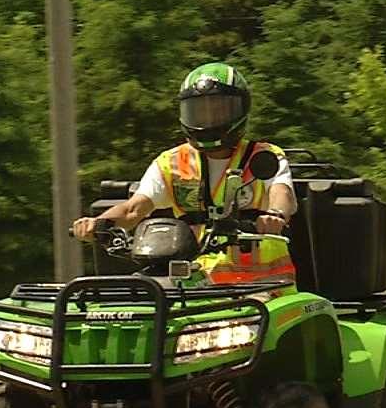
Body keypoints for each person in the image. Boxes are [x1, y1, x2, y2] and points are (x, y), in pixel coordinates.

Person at [71, 62, 298, 284]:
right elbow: (133, 209)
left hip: (264, 285)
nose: (209, 119)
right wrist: (98, 223)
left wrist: (275, 215)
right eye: (200, 112)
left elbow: (282, 193)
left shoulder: (265, 156)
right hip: (194, 283)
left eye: (218, 110)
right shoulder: (171, 162)